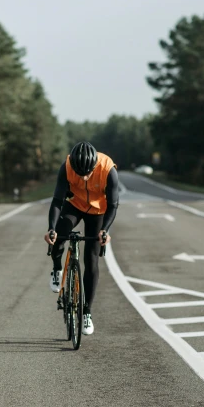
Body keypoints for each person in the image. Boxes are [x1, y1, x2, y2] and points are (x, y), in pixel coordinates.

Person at [44, 141, 119, 335]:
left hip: (99, 211)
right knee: (59, 235)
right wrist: (51, 229)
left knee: (91, 259)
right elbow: (57, 201)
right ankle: (57, 268)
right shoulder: (67, 167)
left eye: (88, 172)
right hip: (75, 205)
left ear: (95, 165)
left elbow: (113, 205)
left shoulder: (108, 169)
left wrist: (105, 230)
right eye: (80, 173)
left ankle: (87, 312)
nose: (84, 176)